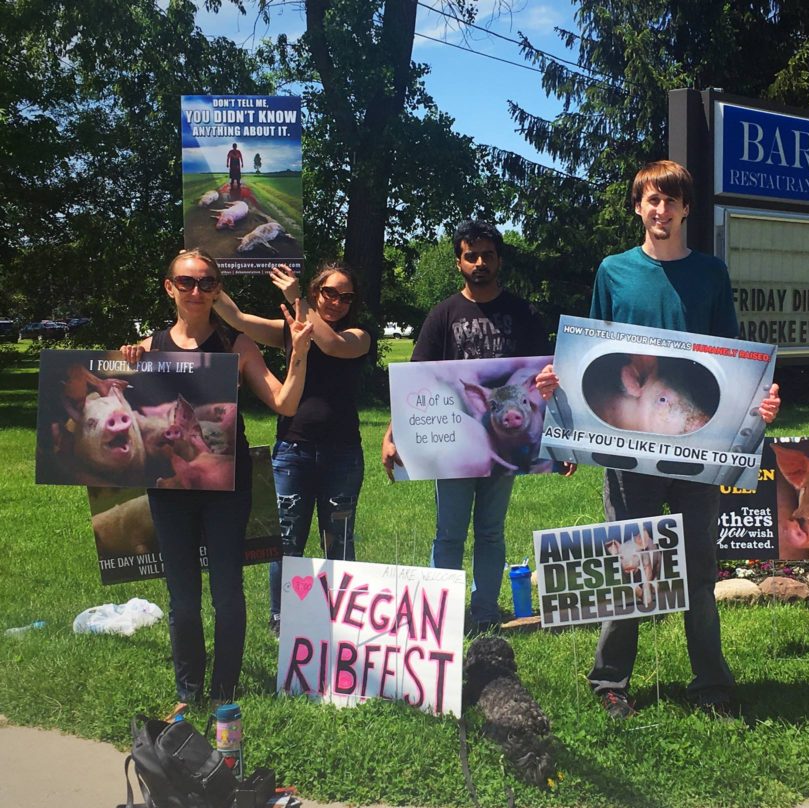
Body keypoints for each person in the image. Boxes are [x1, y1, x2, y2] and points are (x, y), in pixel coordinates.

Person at [536, 160, 780, 719]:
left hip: (696, 448)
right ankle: (610, 682)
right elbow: (587, 356)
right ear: (638, 207)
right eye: (651, 200)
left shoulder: (711, 275)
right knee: (631, 560)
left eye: (671, 201)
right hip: (627, 453)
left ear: (686, 209)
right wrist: (560, 399)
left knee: (697, 564)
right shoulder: (613, 272)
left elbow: (734, 364)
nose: (661, 211)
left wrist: (759, 403)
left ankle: (712, 685)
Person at [121, 249, 312, 703]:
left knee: (227, 593)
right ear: (170, 287)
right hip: (169, 488)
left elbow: (284, 403)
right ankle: (188, 692)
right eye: (186, 282)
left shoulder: (237, 347)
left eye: (207, 283)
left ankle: (226, 689)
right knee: (182, 597)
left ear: (217, 289)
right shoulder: (147, 350)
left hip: (228, 485)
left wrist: (299, 352)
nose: (197, 291)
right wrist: (123, 365)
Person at [381, 219, 555, 633]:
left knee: (492, 531)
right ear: (458, 261)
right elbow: (417, 379)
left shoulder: (523, 313)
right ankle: (440, 614)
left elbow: (546, 376)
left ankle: (484, 611)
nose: (479, 263)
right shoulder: (443, 314)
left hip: (507, 442)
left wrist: (556, 440)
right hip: (455, 441)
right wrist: (393, 435)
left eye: (487, 255)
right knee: (450, 532)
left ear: (499, 259)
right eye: (470, 255)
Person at [214, 262, 371, 636]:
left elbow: (330, 345)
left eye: (345, 296)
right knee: (285, 542)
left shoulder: (360, 334)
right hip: (293, 451)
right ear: (317, 291)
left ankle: (344, 618)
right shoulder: (289, 328)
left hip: (343, 455)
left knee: (340, 539)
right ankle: (282, 621)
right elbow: (235, 318)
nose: (336, 302)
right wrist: (209, 281)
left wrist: (297, 301)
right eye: (329, 293)